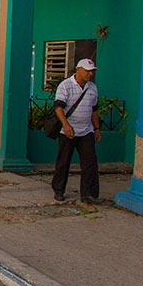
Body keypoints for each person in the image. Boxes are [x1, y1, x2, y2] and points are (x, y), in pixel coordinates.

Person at [52, 58, 101, 203]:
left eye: (91, 71)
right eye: (87, 71)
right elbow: (58, 107)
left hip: (86, 131)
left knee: (90, 163)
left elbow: (94, 110)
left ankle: (88, 193)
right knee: (63, 161)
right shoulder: (65, 86)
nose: (89, 74)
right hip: (68, 131)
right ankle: (59, 190)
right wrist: (66, 125)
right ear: (78, 70)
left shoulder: (92, 88)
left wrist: (97, 128)